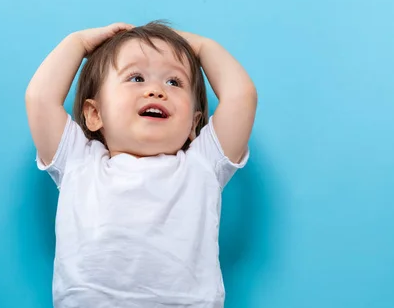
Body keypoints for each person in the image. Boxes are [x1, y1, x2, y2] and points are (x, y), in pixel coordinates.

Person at [25, 20, 258, 308]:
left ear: (193, 125)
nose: (156, 90)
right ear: (94, 113)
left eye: (174, 81)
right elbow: (40, 99)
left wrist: (200, 46)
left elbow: (241, 97)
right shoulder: (79, 162)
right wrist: (78, 43)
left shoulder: (201, 166)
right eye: (136, 78)